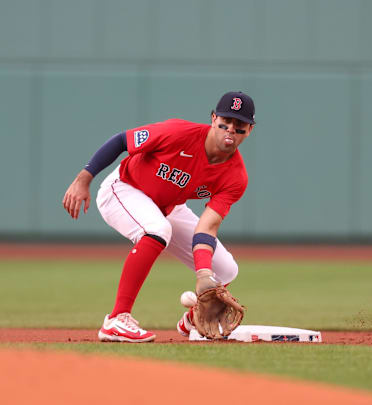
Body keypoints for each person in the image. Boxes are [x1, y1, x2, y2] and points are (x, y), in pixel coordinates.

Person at [62, 91, 256, 342]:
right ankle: (117, 319)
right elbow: (122, 140)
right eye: (225, 122)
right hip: (123, 188)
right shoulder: (178, 133)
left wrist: (203, 274)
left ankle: (194, 319)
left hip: (168, 206)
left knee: (226, 270)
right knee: (157, 229)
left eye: (239, 126)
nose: (230, 129)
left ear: (249, 130)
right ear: (213, 118)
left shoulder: (236, 177)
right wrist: (83, 179)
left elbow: (206, 227)